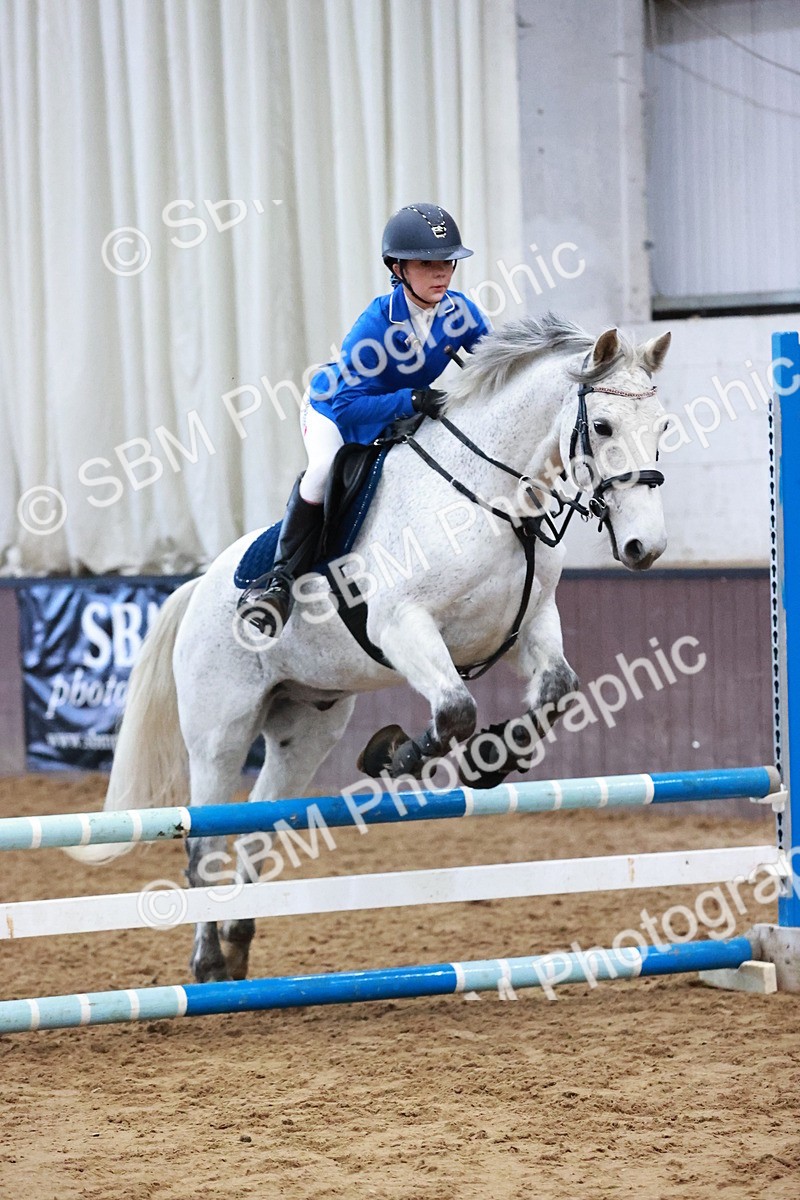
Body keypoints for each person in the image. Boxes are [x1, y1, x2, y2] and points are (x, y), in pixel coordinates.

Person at [238, 202, 491, 636]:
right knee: (321, 473)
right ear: (398, 267)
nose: (442, 273)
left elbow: (496, 362)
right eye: (427, 263)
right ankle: (278, 583)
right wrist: (411, 399)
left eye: (447, 262)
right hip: (334, 410)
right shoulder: (376, 323)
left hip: (395, 414)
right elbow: (348, 404)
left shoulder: (460, 312)